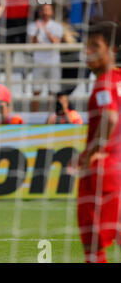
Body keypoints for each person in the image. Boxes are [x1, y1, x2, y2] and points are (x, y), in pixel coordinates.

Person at [72, 20, 121, 263]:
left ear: (112, 48)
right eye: (86, 46)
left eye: (95, 45)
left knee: (94, 247)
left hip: (103, 172)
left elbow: (110, 117)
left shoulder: (103, 83)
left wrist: (92, 151)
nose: (88, 52)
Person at [27, 4, 64, 112]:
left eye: (47, 9)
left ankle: (51, 115)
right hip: (38, 62)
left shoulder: (57, 26)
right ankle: (34, 115)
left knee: (52, 92)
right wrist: (38, 31)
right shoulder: (33, 26)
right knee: (36, 91)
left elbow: (56, 42)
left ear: (52, 12)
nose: (45, 12)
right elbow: (33, 43)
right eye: (43, 10)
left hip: (53, 62)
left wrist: (46, 31)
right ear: (39, 12)